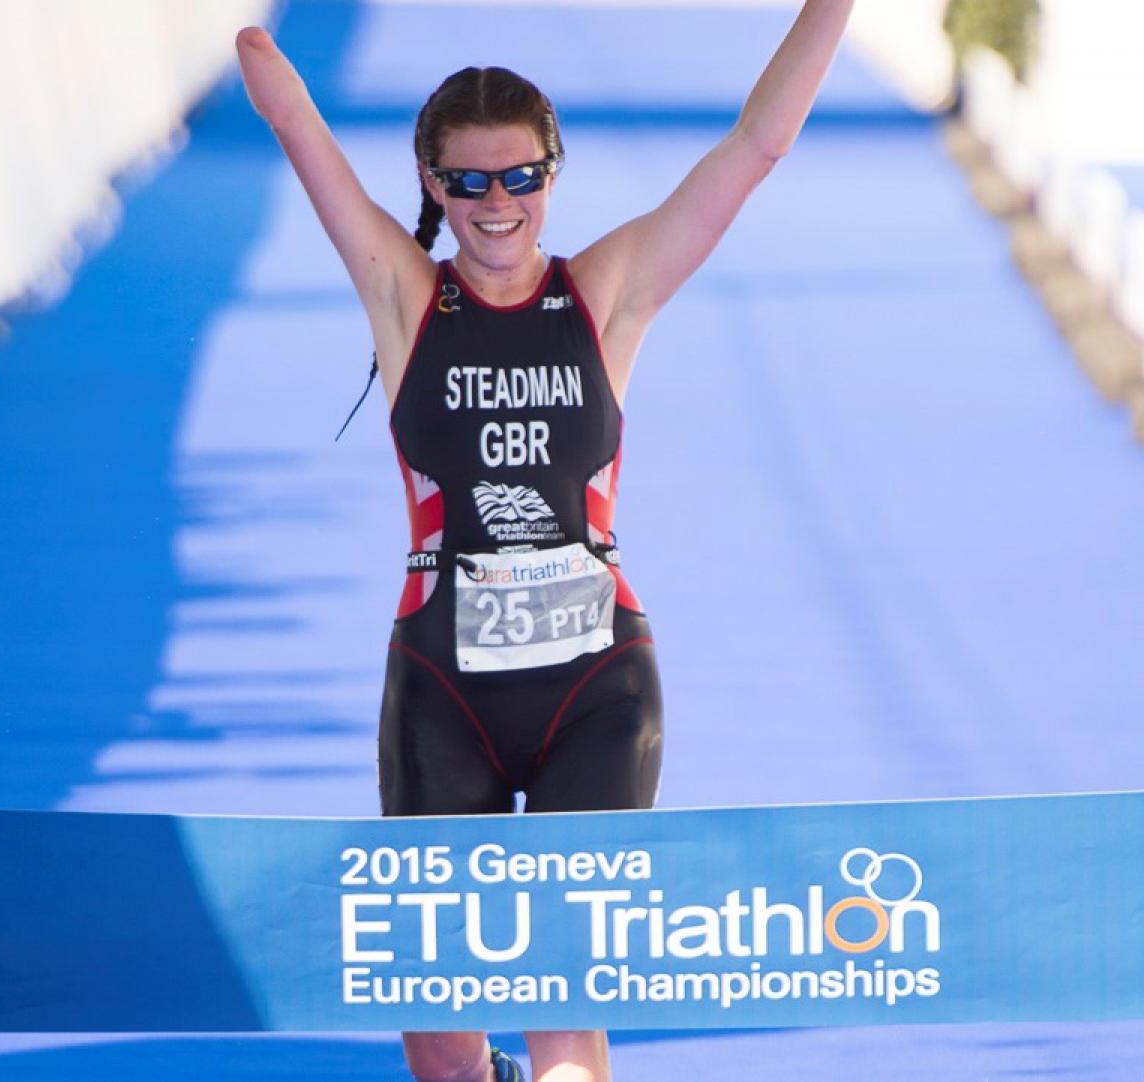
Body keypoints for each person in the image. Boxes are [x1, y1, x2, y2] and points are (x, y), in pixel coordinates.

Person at [236, 3, 854, 1079]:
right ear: (434, 186)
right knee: (440, 1035)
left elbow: (757, 145)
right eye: (469, 181)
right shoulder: (406, 297)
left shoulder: (604, 294)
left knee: (563, 1004)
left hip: (596, 684)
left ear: (553, 174)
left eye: (520, 176)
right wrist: (249, 47)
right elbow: (298, 127)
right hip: (444, 685)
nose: (498, 204)